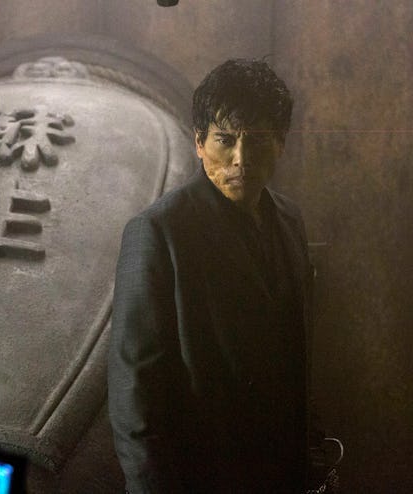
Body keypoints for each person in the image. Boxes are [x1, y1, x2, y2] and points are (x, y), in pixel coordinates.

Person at [108, 58, 315, 493]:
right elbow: (134, 396)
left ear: (280, 143)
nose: (241, 159)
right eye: (225, 140)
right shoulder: (157, 231)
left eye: (257, 140)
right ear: (199, 143)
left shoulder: (289, 221)